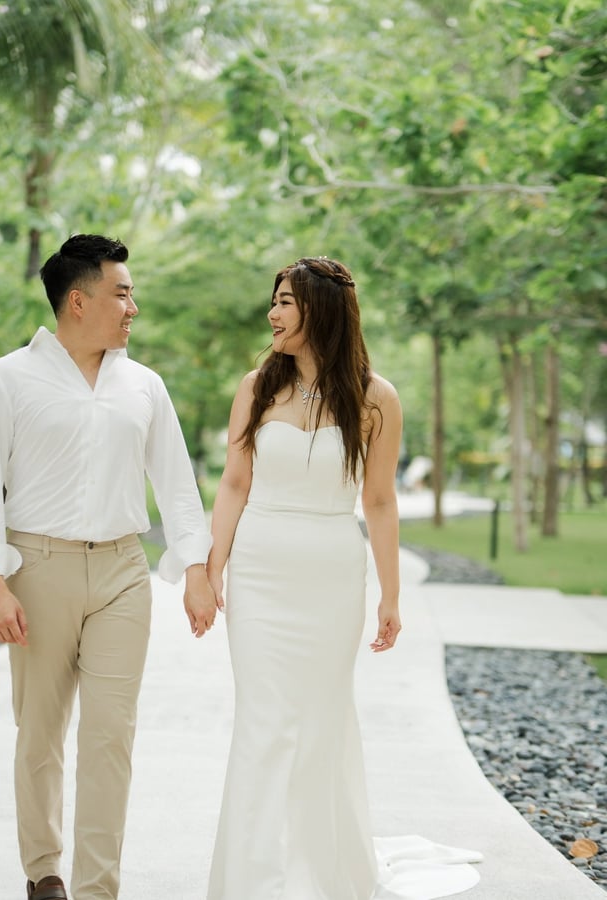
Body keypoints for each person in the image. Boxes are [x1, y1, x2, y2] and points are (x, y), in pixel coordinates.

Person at [205, 256, 481, 899]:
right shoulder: (256, 386)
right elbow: (234, 482)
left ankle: (321, 872)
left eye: (285, 303)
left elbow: (379, 501)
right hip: (260, 572)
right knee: (263, 720)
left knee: (323, 718)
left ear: (320, 311)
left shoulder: (376, 397)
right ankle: (249, 880)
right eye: (272, 301)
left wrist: (392, 593)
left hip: (332, 576)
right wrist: (210, 571)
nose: (272, 314)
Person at [0, 234, 217, 900]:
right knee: (40, 733)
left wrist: (195, 569)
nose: (133, 307)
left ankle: (99, 889)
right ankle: (44, 872)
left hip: (124, 573)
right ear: (78, 301)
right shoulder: (6, 379)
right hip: (37, 570)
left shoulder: (145, 386)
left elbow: (177, 485)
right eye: (122, 293)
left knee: (110, 739)